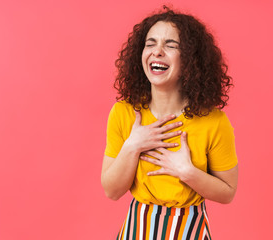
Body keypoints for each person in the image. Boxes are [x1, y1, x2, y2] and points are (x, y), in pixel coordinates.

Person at [101, 6, 238, 240]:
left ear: (190, 59)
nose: (157, 52)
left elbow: (227, 193)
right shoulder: (124, 112)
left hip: (190, 230)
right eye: (150, 43)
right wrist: (133, 146)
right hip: (136, 229)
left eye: (171, 45)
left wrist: (187, 172)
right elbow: (112, 191)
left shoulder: (214, 121)